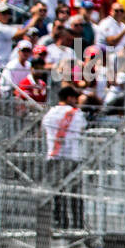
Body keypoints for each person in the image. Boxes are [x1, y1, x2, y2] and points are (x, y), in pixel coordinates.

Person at [41, 85, 86, 229]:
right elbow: (82, 127)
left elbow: (44, 129)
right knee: (75, 194)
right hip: (72, 158)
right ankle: (78, 224)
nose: (76, 102)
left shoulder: (49, 113)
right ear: (69, 98)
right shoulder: (75, 112)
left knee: (56, 192)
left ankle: (61, 222)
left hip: (53, 156)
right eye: (75, 99)